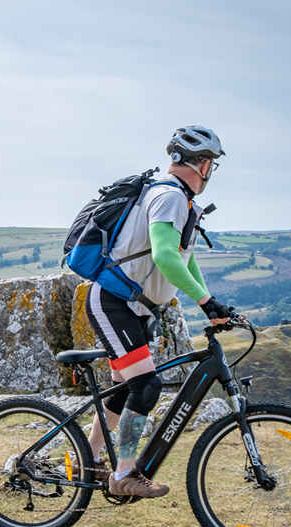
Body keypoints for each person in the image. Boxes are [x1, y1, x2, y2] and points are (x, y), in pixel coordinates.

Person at [84, 125, 234, 498]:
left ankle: (88, 458)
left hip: (135, 307)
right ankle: (123, 476)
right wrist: (204, 302)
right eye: (210, 163)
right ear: (201, 164)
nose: (210, 171)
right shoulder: (168, 196)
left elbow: (185, 259)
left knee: (124, 389)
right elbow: (165, 255)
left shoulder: (181, 201)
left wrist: (210, 302)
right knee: (147, 385)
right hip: (114, 302)